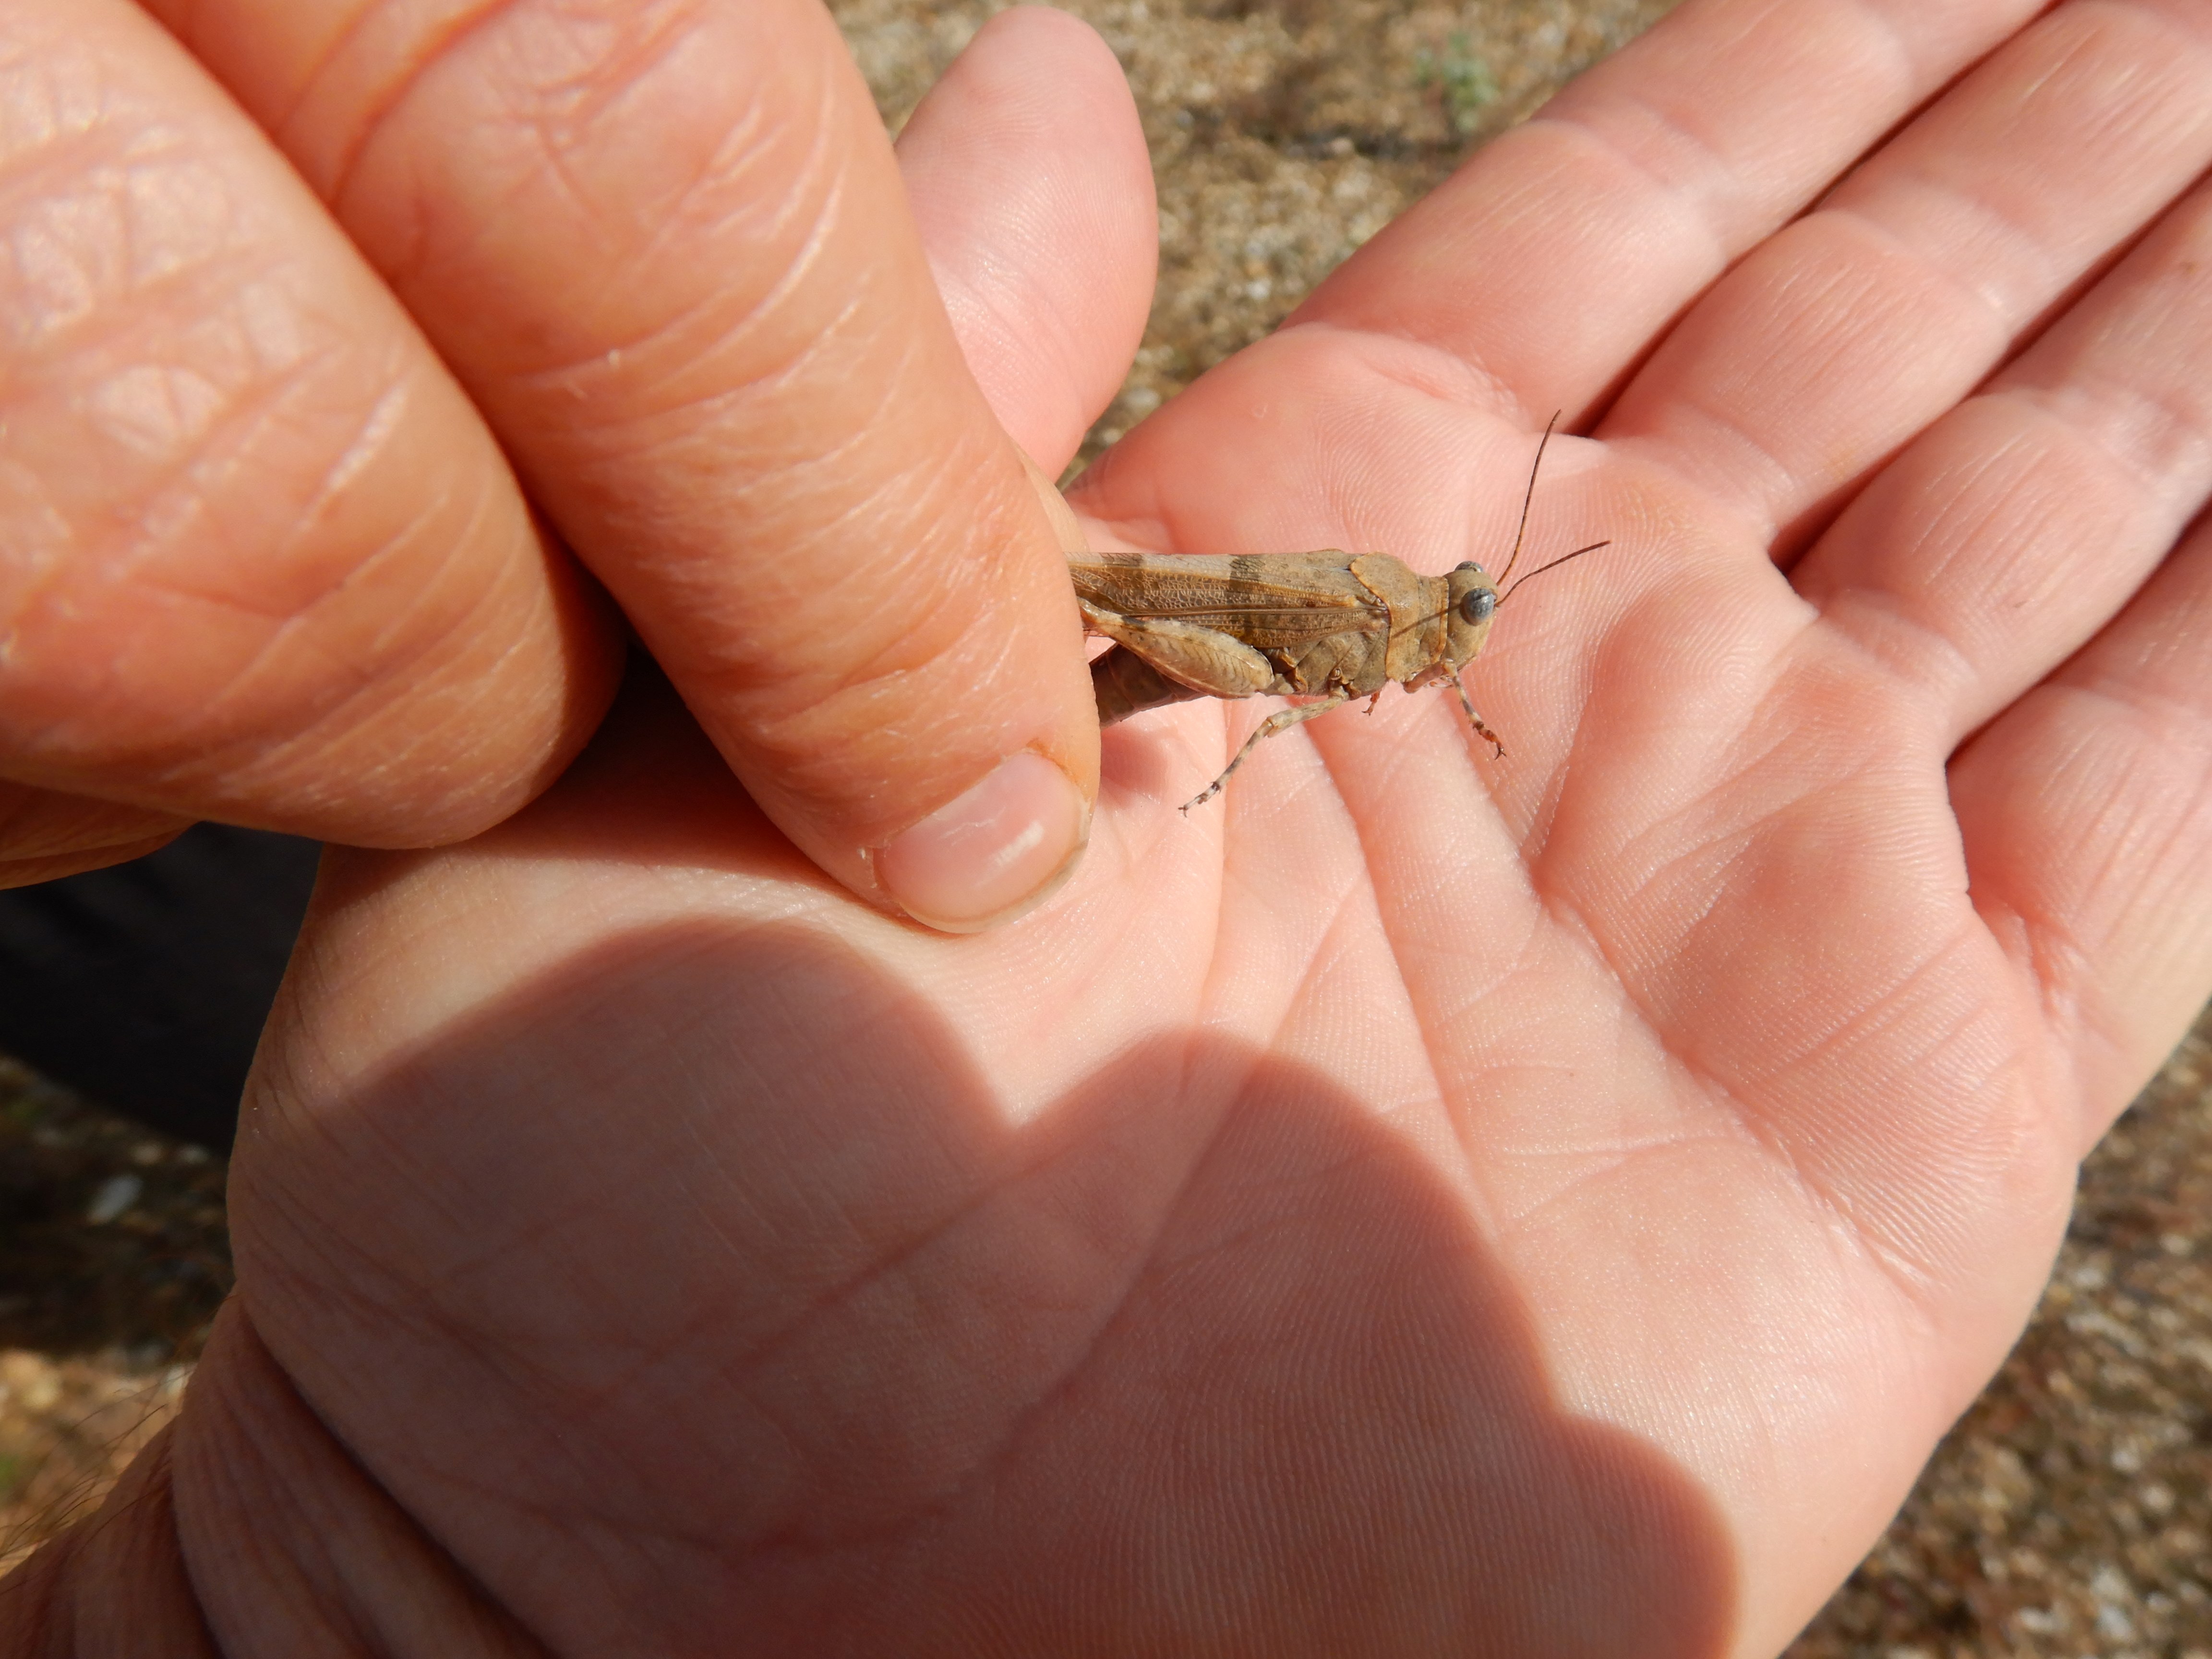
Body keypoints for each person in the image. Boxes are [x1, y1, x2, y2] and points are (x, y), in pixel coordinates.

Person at [6, 0, 2211, 1652]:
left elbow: (1403, 656)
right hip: (1161, 621)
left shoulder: (1422, 619)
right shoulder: (1361, 612)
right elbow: (1254, 640)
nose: (1454, 625)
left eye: (1461, 615)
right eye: (1454, 606)